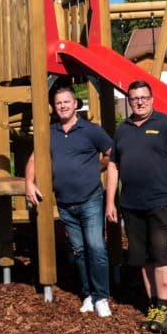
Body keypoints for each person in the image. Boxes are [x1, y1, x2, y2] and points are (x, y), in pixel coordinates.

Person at [105, 81, 167, 334]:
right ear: (128, 101)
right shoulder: (123, 130)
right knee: (141, 258)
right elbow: (113, 166)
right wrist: (111, 201)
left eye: (144, 97)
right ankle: (152, 304)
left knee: (162, 255)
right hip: (131, 205)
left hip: (162, 203)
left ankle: (164, 307)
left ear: (152, 99)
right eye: (134, 98)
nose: (139, 102)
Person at [25, 85, 114, 317]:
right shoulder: (50, 132)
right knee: (79, 251)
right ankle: (88, 294)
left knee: (96, 247)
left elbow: (111, 153)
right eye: (58, 103)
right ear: (54, 107)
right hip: (65, 203)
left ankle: (102, 296)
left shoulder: (90, 130)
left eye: (67, 101)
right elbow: (34, 159)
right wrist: (29, 183)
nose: (63, 105)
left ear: (76, 104)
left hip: (91, 198)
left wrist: (96, 168)